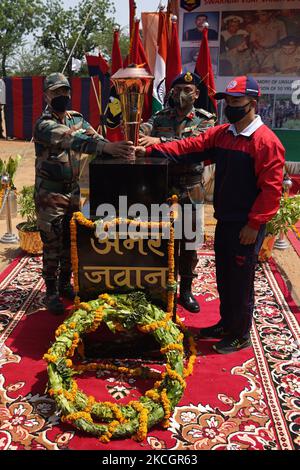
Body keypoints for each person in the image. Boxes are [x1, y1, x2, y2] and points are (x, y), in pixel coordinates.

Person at [136, 76, 285, 354]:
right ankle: (226, 323)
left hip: (246, 224)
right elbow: (188, 148)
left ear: (252, 104)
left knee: (241, 280)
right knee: (225, 275)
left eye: (236, 101)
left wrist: (254, 224)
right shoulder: (224, 134)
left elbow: (272, 190)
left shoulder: (265, 142)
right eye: (227, 101)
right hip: (225, 218)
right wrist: (150, 148)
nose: (230, 106)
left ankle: (239, 334)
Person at [34, 73, 133, 315]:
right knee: (52, 243)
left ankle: (64, 284)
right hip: (50, 195)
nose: (61, 96)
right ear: (46, 95)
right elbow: (74, 140)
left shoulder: (76, 118)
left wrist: (119, 149)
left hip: (73, 192)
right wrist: (104, 146)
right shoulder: (44, 125)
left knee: (71, 240)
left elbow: (94, 137)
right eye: (56, 92)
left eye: (65, 92)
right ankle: (50, 292)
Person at [139, 72, 215, 313]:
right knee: (162, 239)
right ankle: (163, 287)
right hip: (163, 186)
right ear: (171, 92)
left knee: (189, 241)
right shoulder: (161, 116)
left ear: (197, 94)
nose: (182, 93)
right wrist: (136, 129)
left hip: (191, 187)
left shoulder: (205, 119)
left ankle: (186, 290)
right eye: (178, 88)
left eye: (188, 89)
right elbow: (142, 132)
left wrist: (157, 140)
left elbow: (193, 143)